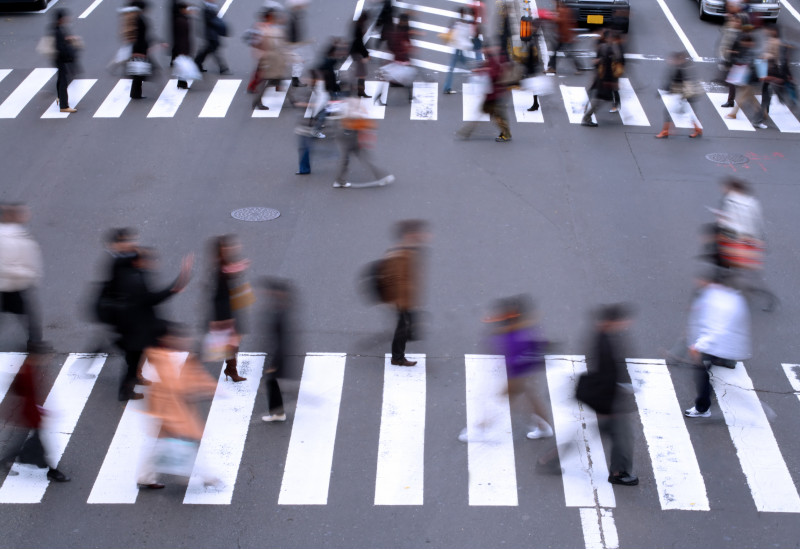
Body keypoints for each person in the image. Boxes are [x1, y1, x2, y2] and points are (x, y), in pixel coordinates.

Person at [459, 296, 553, 442]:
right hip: (526, 371)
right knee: (530, 399)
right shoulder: (524, 328)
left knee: (502, 400)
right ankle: (544, 427)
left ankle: (480, 429)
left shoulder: (515, 333)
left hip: (518, 373)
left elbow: (514, 353)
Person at [138, 324, 219, 490]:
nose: (185, 342)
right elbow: (176, 385)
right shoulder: (163, 358)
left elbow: (192, 377)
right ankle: (206, 476)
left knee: (163, 445)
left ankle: (146, 476)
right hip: (170, 410)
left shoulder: (169, 357)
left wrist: (210, 388)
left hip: (170, 410)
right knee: (185, 443)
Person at [115, 248, 193, 401]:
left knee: (135, 360)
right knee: (134, 361)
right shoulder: (134, 280)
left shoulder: (134, 275)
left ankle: (133, 384)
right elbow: (150, 299)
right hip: (135, 330)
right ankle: (127, 391)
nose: (150, 263)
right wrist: (174, 288)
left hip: (136, 328)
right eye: (146, 260)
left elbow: (148, 300)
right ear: (136, 262)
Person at [579, 304, 638, 486]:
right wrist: (607, 406)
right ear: (613, 322)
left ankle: (550, 460)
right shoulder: (605, 343)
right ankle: (618, 472)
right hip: (610, 401)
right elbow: (606, 375)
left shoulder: (605, 337)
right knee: (623, 437)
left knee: (593, 434)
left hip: (609, 399)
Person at [684, 269, 751, 418]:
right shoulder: (731, 297)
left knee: (700, 373)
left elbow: (717, 329)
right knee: (704, 369)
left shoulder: (721, 302)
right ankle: (706, 399)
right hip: (721, 344)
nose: (698, 282)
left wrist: (698, 346)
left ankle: (703, 408)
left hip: (714, 343)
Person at [1, 344, 70, 483]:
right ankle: (52, 471)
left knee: (28, 443)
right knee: (39, 444)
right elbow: (25, 394)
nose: (48, 359)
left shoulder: (31, 369)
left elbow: (20, 390)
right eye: (46, 356)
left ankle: (6, 461)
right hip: (29, 415)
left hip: (29, 414)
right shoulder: (28, 372)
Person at [715, 178, 777, 311]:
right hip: (750, 241)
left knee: (726, 262)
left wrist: (721, 222)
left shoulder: (730, 200)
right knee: (748, 270)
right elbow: (758, 222)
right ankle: (758, 292)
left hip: (735, 240)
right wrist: (760, 240)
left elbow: (727, 223)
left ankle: (733, 289)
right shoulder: (753, 202)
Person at [382, 220, 429, 367]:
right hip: (402, 300)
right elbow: (393, 278)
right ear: (408, 235)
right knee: (404, 328)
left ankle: (399, 354)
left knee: (407, 326)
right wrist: (397, 300)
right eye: (416, 233)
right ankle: (397, 357)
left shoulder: (410, 250)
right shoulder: (399, 254)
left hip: (407, 299)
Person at [207, 235, 252, 383]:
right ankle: (231, 370)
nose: (230, 249)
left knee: (233, 342)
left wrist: (239, 267)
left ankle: (231, 369)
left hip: (229, 309)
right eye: (227, 248)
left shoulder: (223, 264)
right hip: (225, 312)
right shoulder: (219, 268)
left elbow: (229, 272)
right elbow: (218, 292)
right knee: (231, 342)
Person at [0, 204, 45, 349]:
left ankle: (34, 343)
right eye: (22, 213)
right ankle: (34, 345)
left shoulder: (17, 234)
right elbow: (5, 267)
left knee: (30, 319)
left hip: (14, 287)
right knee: (31, 320)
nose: (26, 215)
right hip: (11, 287)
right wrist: (28, 274)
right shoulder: (8, 237)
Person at [333, 98, 395, 188]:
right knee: (352, 159)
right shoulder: (353, 116)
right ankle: (381, 177)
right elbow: (366, 124)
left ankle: (339, 180)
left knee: (352, 159)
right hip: (349, 138)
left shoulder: (348, 113)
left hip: (349, 137)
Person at [456, 45, 512, 142]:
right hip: (492, 92)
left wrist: (481, 71)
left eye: (484, 50)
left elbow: (494, 74)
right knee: (490, 113)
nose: (483, 51)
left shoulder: (494, 59)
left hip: (495, 93)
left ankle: (506, 134)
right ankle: (467, 131)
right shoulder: (493, 58)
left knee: (495, 115)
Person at [260, 279, 295, 422]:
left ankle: (278, 412)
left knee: (271, 382)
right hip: (278, 355)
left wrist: (274, 363)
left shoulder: (280, 313)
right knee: (272, 383)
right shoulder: (280, 309)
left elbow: (281, 340)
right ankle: (278, 412)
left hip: (278, 356)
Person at [725, 31, 767, 128]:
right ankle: (763, 113)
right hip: (748, 77)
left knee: (743, 96)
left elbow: (746, 62)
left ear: (750, 42)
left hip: (751, 78)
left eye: (745, 42)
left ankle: (733, 113)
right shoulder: (747, 50)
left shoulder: (752, 51)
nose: (743, 43)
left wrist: (734, 56)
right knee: (750, 97)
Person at [656, 51, 702, 138]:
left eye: (674, 59)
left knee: (668, 112)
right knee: (690, 113)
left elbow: (674, 83)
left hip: (683, 95)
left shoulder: (680, 69)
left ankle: (665, 131)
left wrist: (664, 91)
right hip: (685, 95)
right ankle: (697, 129)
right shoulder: (685, 66)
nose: (671, 61)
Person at [581, 30, 623, 127]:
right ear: (607, 38)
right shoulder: (608, 49)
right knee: (600, 98)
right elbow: (608, 66)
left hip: (603, 78)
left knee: (599, 97)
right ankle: (586, 117)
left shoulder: (606, 48)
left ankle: (587, 114)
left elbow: (599, 63)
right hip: (604, 78)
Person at [251, 8, 289, 111]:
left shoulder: (268, 27)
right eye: (273, 17)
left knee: (274, 79)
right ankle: (257, 101)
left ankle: (291, 98)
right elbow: (258, 44)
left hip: (272, 58)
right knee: (267, 80)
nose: (275, 19)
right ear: (268, 17)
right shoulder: (262, 29)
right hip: (267, 59)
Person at [442, 8, 474, 95]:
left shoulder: (457, 21)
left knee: (462, 61)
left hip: (458, 46)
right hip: (458, 46)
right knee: (453, 66)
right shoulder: (462, 22)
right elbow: (468, 33)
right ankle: (447, 87)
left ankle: (447, 87)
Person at [52, 9, 78, 113]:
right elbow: (60, 47)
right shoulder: (58, 31)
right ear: (60, 19)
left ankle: (59, 98)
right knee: (63, 81)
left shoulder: (56, 28)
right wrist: (68, 56)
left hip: (58, 59)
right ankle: (64, 105)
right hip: (61, 59)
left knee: (61, 78)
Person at [195, 0, 230, 75]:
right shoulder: (206, 8)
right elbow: (211, 21)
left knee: (208, 50)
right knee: (213, 51)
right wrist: (221, 25)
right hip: (211, 34)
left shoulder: (211, 7)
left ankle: (197, 63)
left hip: (213, 34)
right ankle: (222, 68)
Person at [545, 0, 576, 74]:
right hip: (565, 36)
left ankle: (552, 68)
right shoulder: (565, 10)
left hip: (564, 37)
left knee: (559, 53)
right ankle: (578, 68)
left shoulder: (562, 10)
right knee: (568, 53)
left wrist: (552, 17)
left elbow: (561, 21)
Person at [129, 0, 151, 100]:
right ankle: (135, 93)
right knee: (138, 73)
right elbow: (139, 37)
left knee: (138, 73)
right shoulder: (139, 20)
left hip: (140, 48)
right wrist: (139, 52)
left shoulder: (137, 18)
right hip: (139, 49)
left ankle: (135, 93)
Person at [350, 12, 372, 98]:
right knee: (361, 74)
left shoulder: (356, 25)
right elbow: (359, 43)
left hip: (355, 51)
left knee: (360, 73)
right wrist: (366, 54)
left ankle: (360, 91)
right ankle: (360, 91)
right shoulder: (359, 27)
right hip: (357, 52)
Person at [173, 2, 192, 89]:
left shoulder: (181, 19)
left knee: (182, 65)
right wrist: (183, 49)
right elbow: (182, 36)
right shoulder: (181, 21)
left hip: (182, 45)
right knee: (183, 65)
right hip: (182, 46)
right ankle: (182, 83)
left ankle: (181, 82)